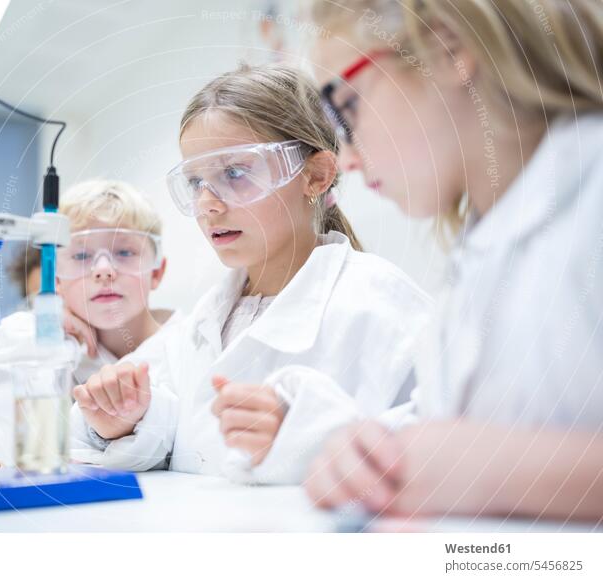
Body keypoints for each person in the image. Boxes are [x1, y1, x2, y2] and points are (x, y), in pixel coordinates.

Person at [303, 0, 603, 520]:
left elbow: (478, 456)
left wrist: (503, 473)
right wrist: (373, 449)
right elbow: (459, 426)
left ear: (447, 49)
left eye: (343, 109)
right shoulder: (480, 250)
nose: (346, 157)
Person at [70, 63, 433, 484]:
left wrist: (310, 438)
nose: (207, 204)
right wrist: (124, 419)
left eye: (235, 173)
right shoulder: (202, 325)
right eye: (194, 182)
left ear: (316, 176)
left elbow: (452, 454)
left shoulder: (381, 303)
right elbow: (108, 426)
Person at [0, 179, 178, 466]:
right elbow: (4, 451)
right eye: (81, 255)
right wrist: (42, 330)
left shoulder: (185, 346)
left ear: (156, 272)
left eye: (125, 252)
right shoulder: (57, 355)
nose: (104, 270)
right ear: (56, 279)